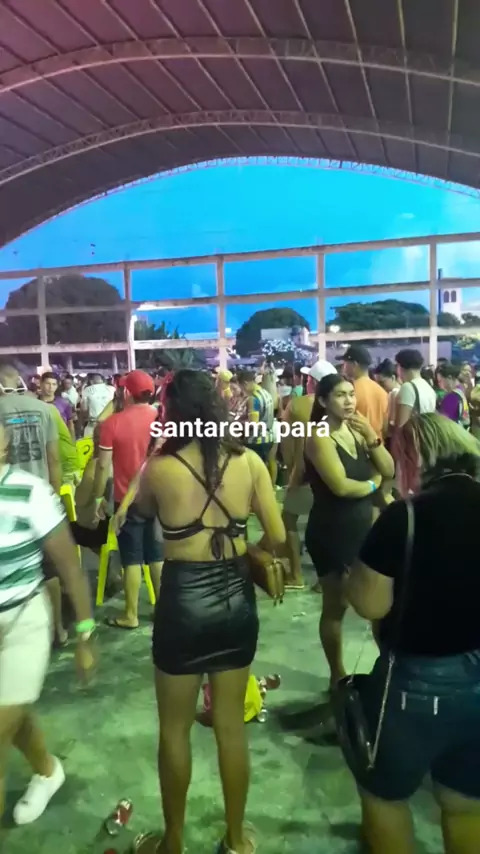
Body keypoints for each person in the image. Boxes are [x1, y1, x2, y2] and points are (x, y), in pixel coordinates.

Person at [129, 369, 285, 854]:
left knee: (174, 730)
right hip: (235, 598)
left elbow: (138, 515)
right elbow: (279, 535)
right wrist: (248, 550)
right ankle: (236, 840)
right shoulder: (249, 462)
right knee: (230, 727)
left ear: (172, 413)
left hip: (183, 602)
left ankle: (173, 843)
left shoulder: (160, 468)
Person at [345, 413, 480, 854]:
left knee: (384, 796)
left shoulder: (404, 517)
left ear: (411, 458)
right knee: (464, 802)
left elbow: (370, 603)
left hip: (415, 683)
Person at [0, 420, 96, 826]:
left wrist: (85, 635)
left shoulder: (30, 492)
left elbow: (70, 566)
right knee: (10, 711)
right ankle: (46, 770)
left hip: (22, 624)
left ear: (4, 442)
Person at [304, 373, 394, 691]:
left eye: (351, 394)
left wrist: (371, 436)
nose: (349, 401)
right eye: (340, 395)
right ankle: (337, 674)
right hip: (332, 531)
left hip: (363, 527)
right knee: (337, 605)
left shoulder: (357, 430)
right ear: (323, 400)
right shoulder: (319, 436)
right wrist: (373, 484)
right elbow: (341, 487)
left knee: (379, 605)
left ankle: (388, 667)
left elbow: (389, 468)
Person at [93, 370, 163, 629]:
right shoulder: (162, 420)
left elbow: (102, 466)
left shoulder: (113, 423)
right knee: (157, 555)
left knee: (131, 558)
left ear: (126, 392)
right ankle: (162, 609)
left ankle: (131, 615)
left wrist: (99, 497)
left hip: (126, 500)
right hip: (158, 497)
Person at [281, 359, 337, 590]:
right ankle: (327, 578)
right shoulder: (340, 405)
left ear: (312, 381)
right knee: (329, 524)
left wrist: (291, 471)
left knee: (289, 521)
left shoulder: (297, 405)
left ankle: (296, 575)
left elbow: (287, 443)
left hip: (305, 472)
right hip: (334, 471)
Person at [338, 346, 388, 438]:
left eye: (345, 363)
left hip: (357, 442)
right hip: (378, 443)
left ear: (354, 365)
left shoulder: (350, 391)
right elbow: (386, 428)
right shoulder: (382, 391)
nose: (343, 367)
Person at [237, 370, 274, 464]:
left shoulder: (253, 398)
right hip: (268, 438)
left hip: (256, 441)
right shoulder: (266, 393)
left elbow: (253, 424)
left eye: (241, 387)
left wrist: (238, 423)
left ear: (245, 384)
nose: (242, 391)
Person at [394, 349, 436, 427]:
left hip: (413, 433)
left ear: (400, 367)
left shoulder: (408, 387)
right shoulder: (428, 387)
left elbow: (402, 424)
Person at [38, 373, 74, 438]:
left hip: (60, 439)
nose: (51, 387)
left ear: (57, 386)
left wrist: (72, 441)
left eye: (54, 384)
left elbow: (70, 424)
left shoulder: (64, 404)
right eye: (47, 383)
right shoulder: (34, 403)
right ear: (41, 384)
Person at [436, 363, 471, 430]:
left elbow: (445, 424)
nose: (439, 384)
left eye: (440, 381)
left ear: (449, 378)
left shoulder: (451, 397)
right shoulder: (460, 390)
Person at [79, 373, 115, 438]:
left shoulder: (87, 390)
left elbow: (84, 409)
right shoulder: (112, 389)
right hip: (110, 424)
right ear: (102, 380)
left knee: (90, 443)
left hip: (93, 425)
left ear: (91, 381)